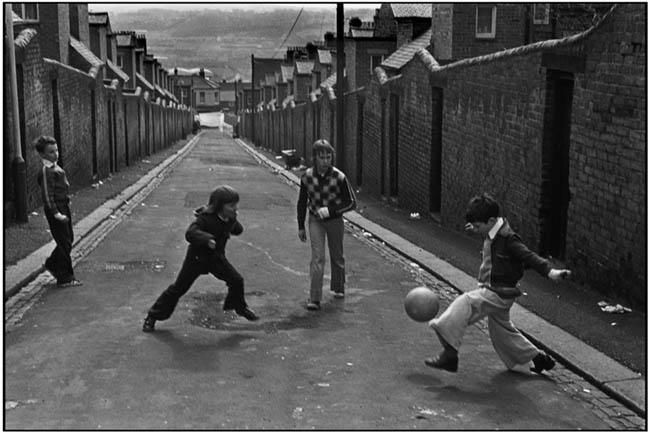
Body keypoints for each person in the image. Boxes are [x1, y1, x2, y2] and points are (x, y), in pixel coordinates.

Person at [425, 193, 571, 374]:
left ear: (492, 220)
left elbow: (528, 256)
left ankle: (450, 354)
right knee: (501, 333)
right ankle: (538, 359)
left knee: (466, 302)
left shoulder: (509, 238)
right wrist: (476, 227)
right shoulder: (492, 231)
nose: (476, 229)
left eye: (478, 226)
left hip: (499, 292)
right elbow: (490, 240)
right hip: (496, 289)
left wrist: (550, 272)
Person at [142, 185, 258, 332]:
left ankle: (240, 308)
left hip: (216, 259)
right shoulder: (205, 219)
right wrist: (207, 239)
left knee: (236, 280)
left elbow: (237, 230)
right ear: (220, 206)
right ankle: (152, 316)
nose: (235, 208)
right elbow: (190, 233)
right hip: (197, 259)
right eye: (231, 206)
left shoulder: (229, 218)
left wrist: (234, 221)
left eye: (236, 205)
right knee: (178, 289)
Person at [297, 139, 356, 311]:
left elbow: (351, 202)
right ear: (314, 158)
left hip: (334, 220)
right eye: (321, 157)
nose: (325, 161)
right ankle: (314, 298)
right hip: (315, 220)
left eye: (328, 157)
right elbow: (302, 202)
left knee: (337, 255)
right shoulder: (307, 176)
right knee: (318, 257)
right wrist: (301, 226)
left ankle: (338, 286)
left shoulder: (339, 177)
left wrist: (332, 211)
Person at [34, 135, 83, 288]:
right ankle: (65, 277)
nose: (55, 154)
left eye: (56, 150)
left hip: (63, 206)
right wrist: (56, 213)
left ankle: (53, 264)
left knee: (67, 239)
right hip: (56, 209)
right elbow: (48, 196)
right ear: (42, 154)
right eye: (50, 152)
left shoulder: (54, 167)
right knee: (64, 242)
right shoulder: (46, 171)